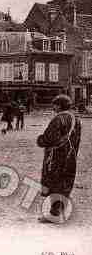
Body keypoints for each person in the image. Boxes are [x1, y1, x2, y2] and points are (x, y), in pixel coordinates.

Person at [37, 95, 81, 224]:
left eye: (55, 105)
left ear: (59, 105)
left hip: (56, 157)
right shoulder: (76, 119)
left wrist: (40, 140)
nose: (53, 107)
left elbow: (48, 138)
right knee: (65, 184)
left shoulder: (59, 118)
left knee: (54, 183)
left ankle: (54, 214)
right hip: (71, 157)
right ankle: (59, 212)